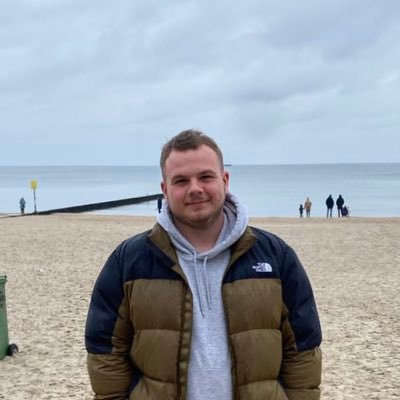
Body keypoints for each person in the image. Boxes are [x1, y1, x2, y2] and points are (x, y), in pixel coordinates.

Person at [85, 129, 322, 400]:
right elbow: (105, 351)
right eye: (181, 180)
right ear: (165, 190)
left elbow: (303, 350)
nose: (195, 188)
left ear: (225, 180)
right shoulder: (128, 261)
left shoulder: (275, 256)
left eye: (206, 177)